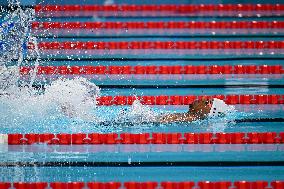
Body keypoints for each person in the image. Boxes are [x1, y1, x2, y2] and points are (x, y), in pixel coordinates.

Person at [158, 98, 231, 123]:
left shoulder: (190, 119)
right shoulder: (188, 116)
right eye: (208, 100)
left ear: (211, 112)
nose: (203, 99)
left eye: (207, 102)